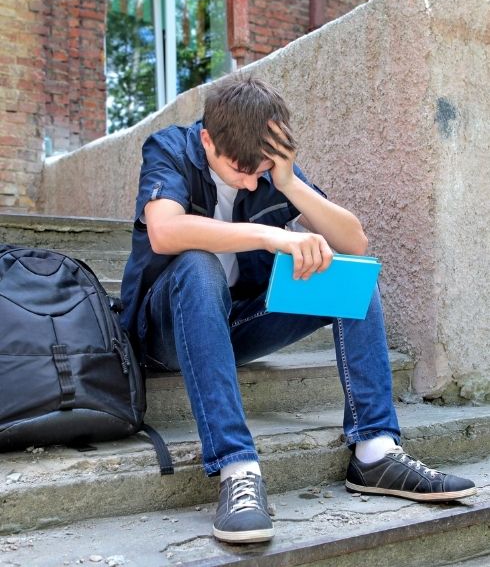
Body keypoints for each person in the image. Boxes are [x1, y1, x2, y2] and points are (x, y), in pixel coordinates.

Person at [121, 76, 476, 544]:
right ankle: (237, 468)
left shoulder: (271, 170)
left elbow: (355, 241)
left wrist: (288, 181)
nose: (252, 181)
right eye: (240, 170)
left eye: (262, 169)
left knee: (348, 278)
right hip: (163, 332)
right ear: (208, 139)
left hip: (234, 326)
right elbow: (165, 231)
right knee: (198, 264)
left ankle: (375, 450)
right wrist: (272, 235)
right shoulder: (171, 148)